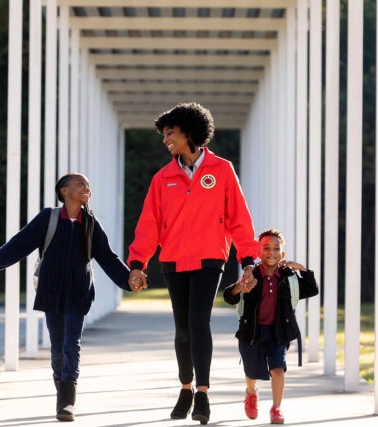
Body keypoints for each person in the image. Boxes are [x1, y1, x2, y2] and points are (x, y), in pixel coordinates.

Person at [127, 102, 259, 425]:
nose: (165, 140)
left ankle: (202, 393)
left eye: (170, 133)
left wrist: (247, 260)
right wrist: (137, 263)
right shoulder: (163, 178)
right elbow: (149, 224)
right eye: (163, 134)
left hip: (210, 257)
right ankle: (184, 387)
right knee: (183, 329)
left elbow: (238, 219)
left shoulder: (222, 170)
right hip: (172, 260)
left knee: (199, 321)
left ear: (189, 132)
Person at [0, 173, 147, 422]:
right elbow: (21, 243)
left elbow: (108, 257)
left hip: (78, 291)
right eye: (80, 183)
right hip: (51, 289)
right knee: (58, 347)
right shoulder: (47, 218)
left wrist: (127, 280)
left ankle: (67, 402)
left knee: (72, 344)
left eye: (88, 184)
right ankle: (61, 390)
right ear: (64, 191)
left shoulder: (90, 223)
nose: (86, 187)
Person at [223, 228, 318, 424]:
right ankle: (251, 393)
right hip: (253, 332)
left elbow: (311, 289)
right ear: (258, 252)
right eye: (266, 248)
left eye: (276, 248)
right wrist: (239, 287)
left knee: (278, 369)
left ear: (282, 254)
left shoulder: (288, 277)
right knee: (252, 371)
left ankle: (276, 408)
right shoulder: (251, 274)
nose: (271, 252)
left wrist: (301, 268)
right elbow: (229, 297)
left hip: (278, 333)